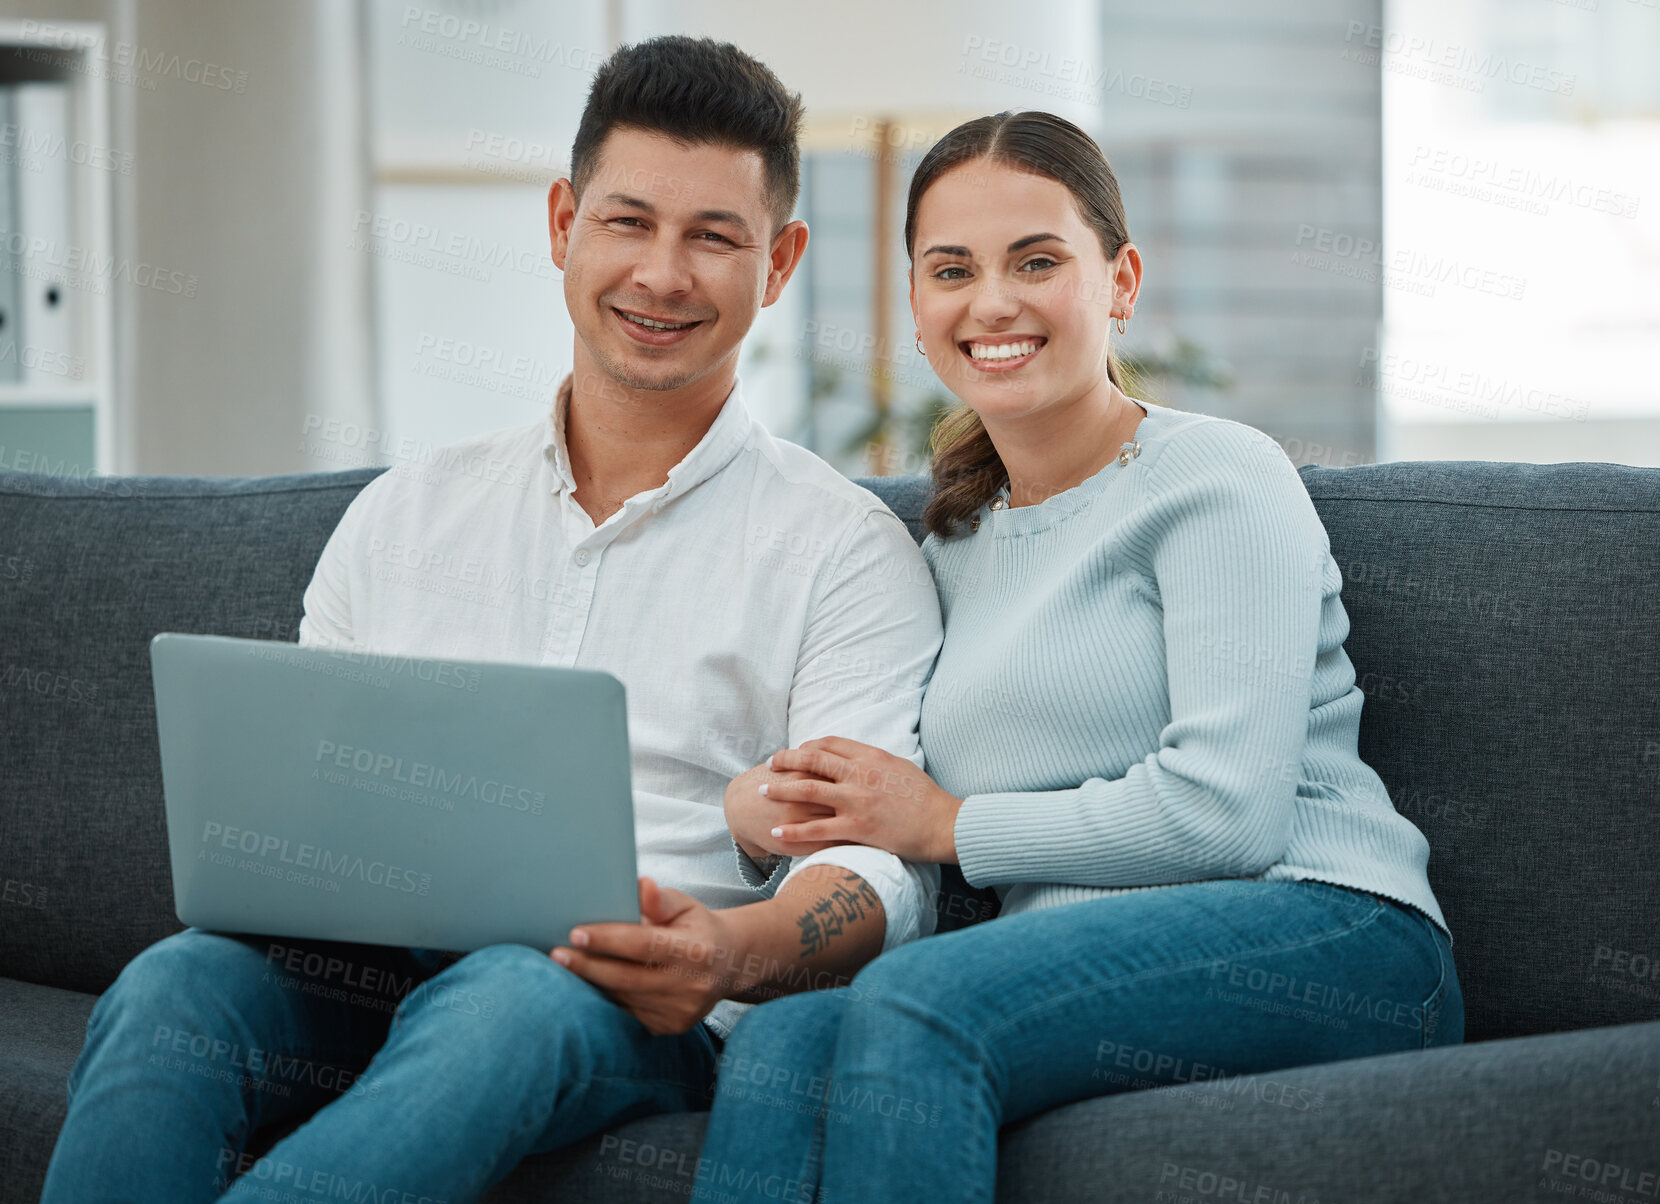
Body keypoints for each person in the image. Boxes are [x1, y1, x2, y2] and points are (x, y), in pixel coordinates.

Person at [41, 37, 943, 1204]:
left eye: (712, 236)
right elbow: (304, 798)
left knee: (507, 996)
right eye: (627, 221)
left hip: (622, 1003)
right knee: (174, 988)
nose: (662, 274)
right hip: (364, 970)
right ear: (563, 223)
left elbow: (878, 865)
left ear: (778, 264)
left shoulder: (844, 547)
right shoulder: (406, 509)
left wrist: (732, 952)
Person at [703, 109, 1462, 1204]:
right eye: (951, 268)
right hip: (1073, 964)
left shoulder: (1216, 477)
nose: (993, 301)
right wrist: (764, 819)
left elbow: (1224, 813)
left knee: (921, 1005)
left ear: (1119, 280)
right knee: (783, 1047)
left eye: (1036, 260)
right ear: (916, 308)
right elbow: (901, 811)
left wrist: (947, 823)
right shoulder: (949, 543)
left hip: (1328, 926)